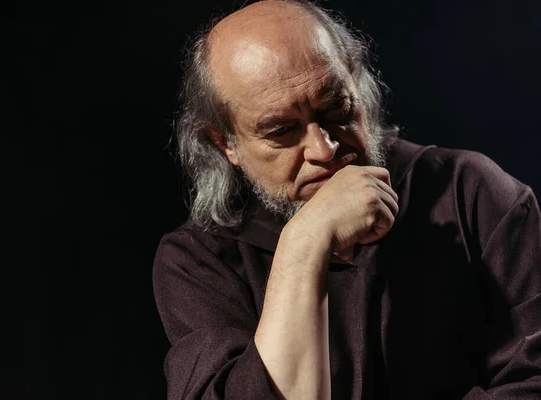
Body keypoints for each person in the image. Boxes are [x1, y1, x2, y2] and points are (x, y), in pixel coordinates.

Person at [152, 0, 541, 398]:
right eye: (282, 130)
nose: (324, 149)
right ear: (226, 143)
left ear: (358, 83)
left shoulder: (471, 192)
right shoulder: (197, 260)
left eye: (337, 107)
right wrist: (304, 244)